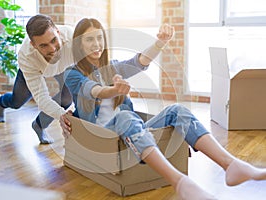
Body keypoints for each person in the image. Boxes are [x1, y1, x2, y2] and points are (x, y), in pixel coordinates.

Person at [64, 18, 266, 199]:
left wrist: (160, 41)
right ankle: (180, 182)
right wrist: (114, 90)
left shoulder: (113, 67)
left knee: (176, 110)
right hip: (104, 137)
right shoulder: (71, 74)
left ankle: (231, 165)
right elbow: (93, 90)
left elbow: (139, 62)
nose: (96, 44)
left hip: (134, 132)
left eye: (99, 38)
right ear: (79, 45)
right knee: (125, 115)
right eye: (89, 39)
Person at [0, 14, 73, 144]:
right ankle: (2, 102)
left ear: (58, 31)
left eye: (54, 40)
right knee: (17, 101)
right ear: (33, 45)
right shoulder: (26, 56)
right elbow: (42, 98)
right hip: (37, 68)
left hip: (62, 67)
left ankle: (39, 125)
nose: (52, 49)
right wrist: (61, 116)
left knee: (66, 99)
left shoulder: (72, 37)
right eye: (43, 45)